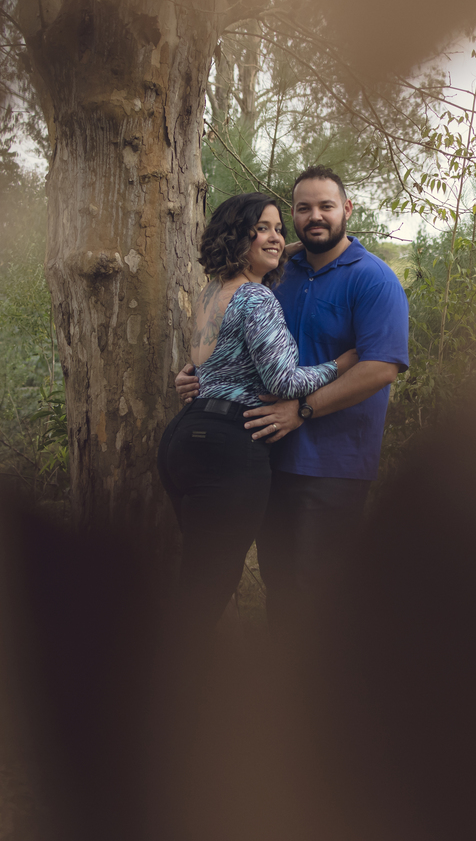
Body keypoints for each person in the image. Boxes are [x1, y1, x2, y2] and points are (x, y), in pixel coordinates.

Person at [176, 167, 410, 626]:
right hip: (266, 454)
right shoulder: (279, 272)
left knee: (319, 592)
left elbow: (381, 366)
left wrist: (303, 409)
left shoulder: (373, 278)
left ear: (347, 209)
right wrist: (201, 371)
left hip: (333, 464)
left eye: (326, 206)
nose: (314, 217)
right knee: (280, 588)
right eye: (302, 209)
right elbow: (237, 330)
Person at [157, 192, 359, 633]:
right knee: (205, 591)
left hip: (182, 441)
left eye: (278, 229)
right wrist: (345, 361)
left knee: (195, 576)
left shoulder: (212, 291)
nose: (275, 237)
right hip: (228, 448)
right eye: (262, 228)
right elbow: (284, 383)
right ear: (239, 237)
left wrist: (278, 246)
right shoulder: (257, 300)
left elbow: (212, 366)